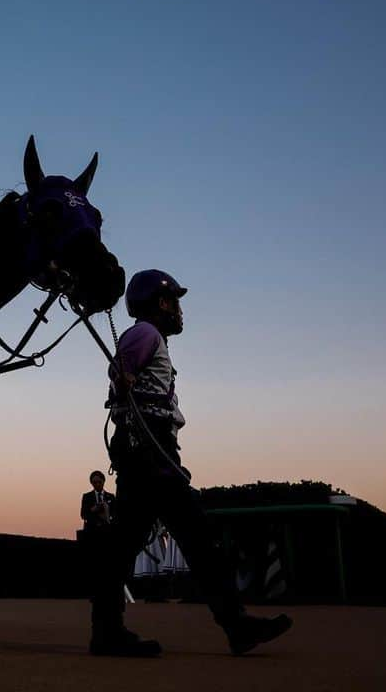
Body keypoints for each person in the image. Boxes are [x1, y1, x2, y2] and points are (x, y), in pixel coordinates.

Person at [89, 270, 291, 657]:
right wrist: (124, 376)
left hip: (146, 448)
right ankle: (235, 625)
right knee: (196, 538)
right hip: (149, 448)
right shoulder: (146, 334)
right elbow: (119, 373)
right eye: (175, 302)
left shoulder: (150, 337)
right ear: (161, 303)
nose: (180, 310)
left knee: (130, 544)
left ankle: (108, 631)